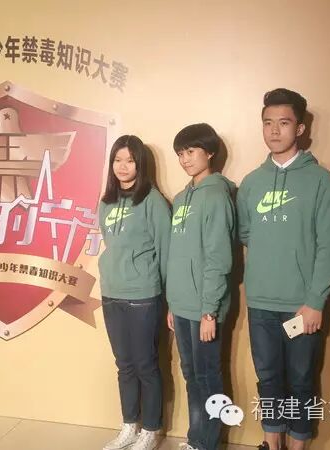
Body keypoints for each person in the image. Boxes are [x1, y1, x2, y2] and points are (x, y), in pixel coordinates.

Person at [236, 88, 330, 450]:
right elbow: (247, 233)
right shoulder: (252, 183)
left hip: (301, 306)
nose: (274, 130)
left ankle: (297, 446)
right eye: (268, 123)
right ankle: (272, 443)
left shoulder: (320, 180)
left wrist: (315, 302)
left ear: (299, 128)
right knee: (267, 379)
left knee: (301, 381)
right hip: (261, 302)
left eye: (283, 123)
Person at [99, 135, 172, 450]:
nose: (123, 166)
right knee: (124, 364)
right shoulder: (106, 202)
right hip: (111, 293)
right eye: (117, 160)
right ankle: (130, 425)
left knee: (145, 364)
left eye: (130, 160)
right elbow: (110, 244)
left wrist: (169, 300)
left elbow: (166, 252)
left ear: (140, 164)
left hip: (143, 295)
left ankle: (151, 429)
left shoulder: (153, 201)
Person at [166, 123, 235, 450]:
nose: (185, 159)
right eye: (180, 153)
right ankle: (196, 439)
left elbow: (219, 258)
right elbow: (177, 256)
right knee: (191, 375)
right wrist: (172, 304)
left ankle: (208, 443)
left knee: (208, 376)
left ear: (209, 152)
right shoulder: (181, 198)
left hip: (205, 308)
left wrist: (210, 311)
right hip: (181, 306)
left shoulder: (217, 195)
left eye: (191, 151)